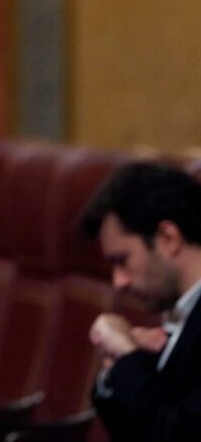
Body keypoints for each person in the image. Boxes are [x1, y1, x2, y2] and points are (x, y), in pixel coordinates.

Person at [80, 161, 201, 441]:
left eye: (123, 260)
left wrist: (127, 357)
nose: (118, 282)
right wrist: (125, 366)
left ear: (168, 238)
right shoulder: (180, 312)